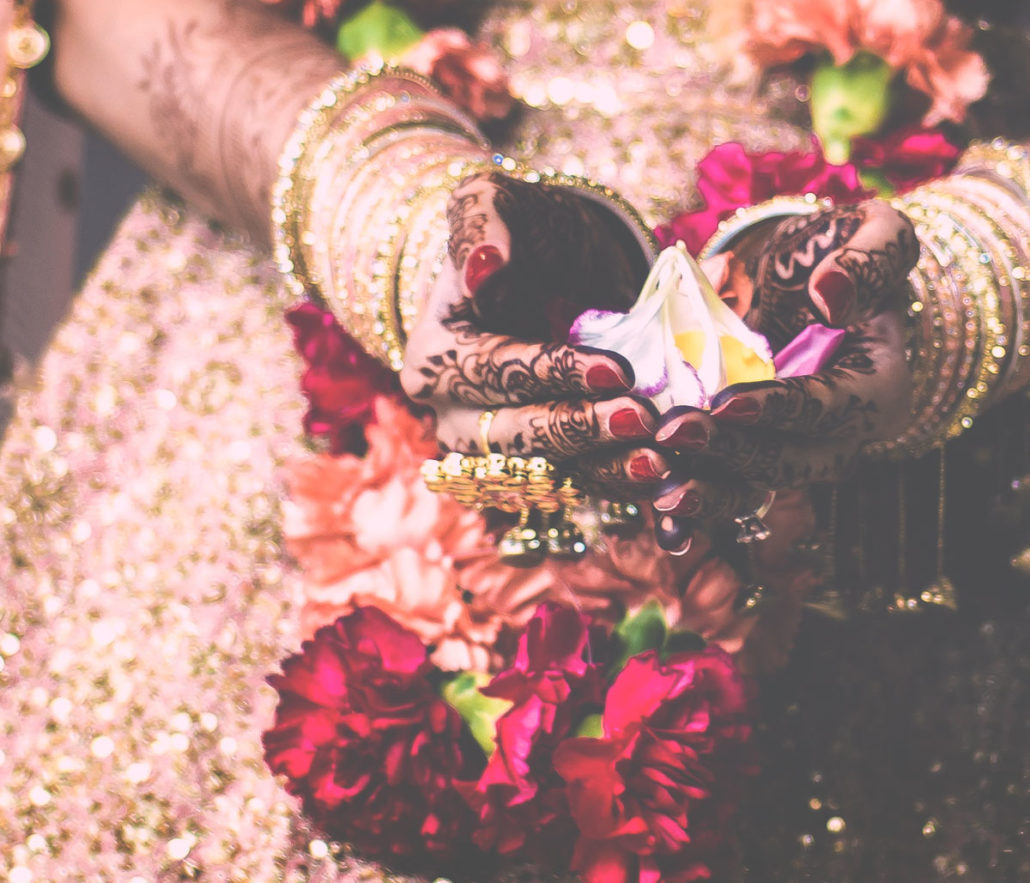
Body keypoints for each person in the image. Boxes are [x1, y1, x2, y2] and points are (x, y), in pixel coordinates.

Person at [0, 0, 1026, 880]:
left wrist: (955, 295)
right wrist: (395, 223)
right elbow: (95, 20)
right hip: (262, 395)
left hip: (926, 588)